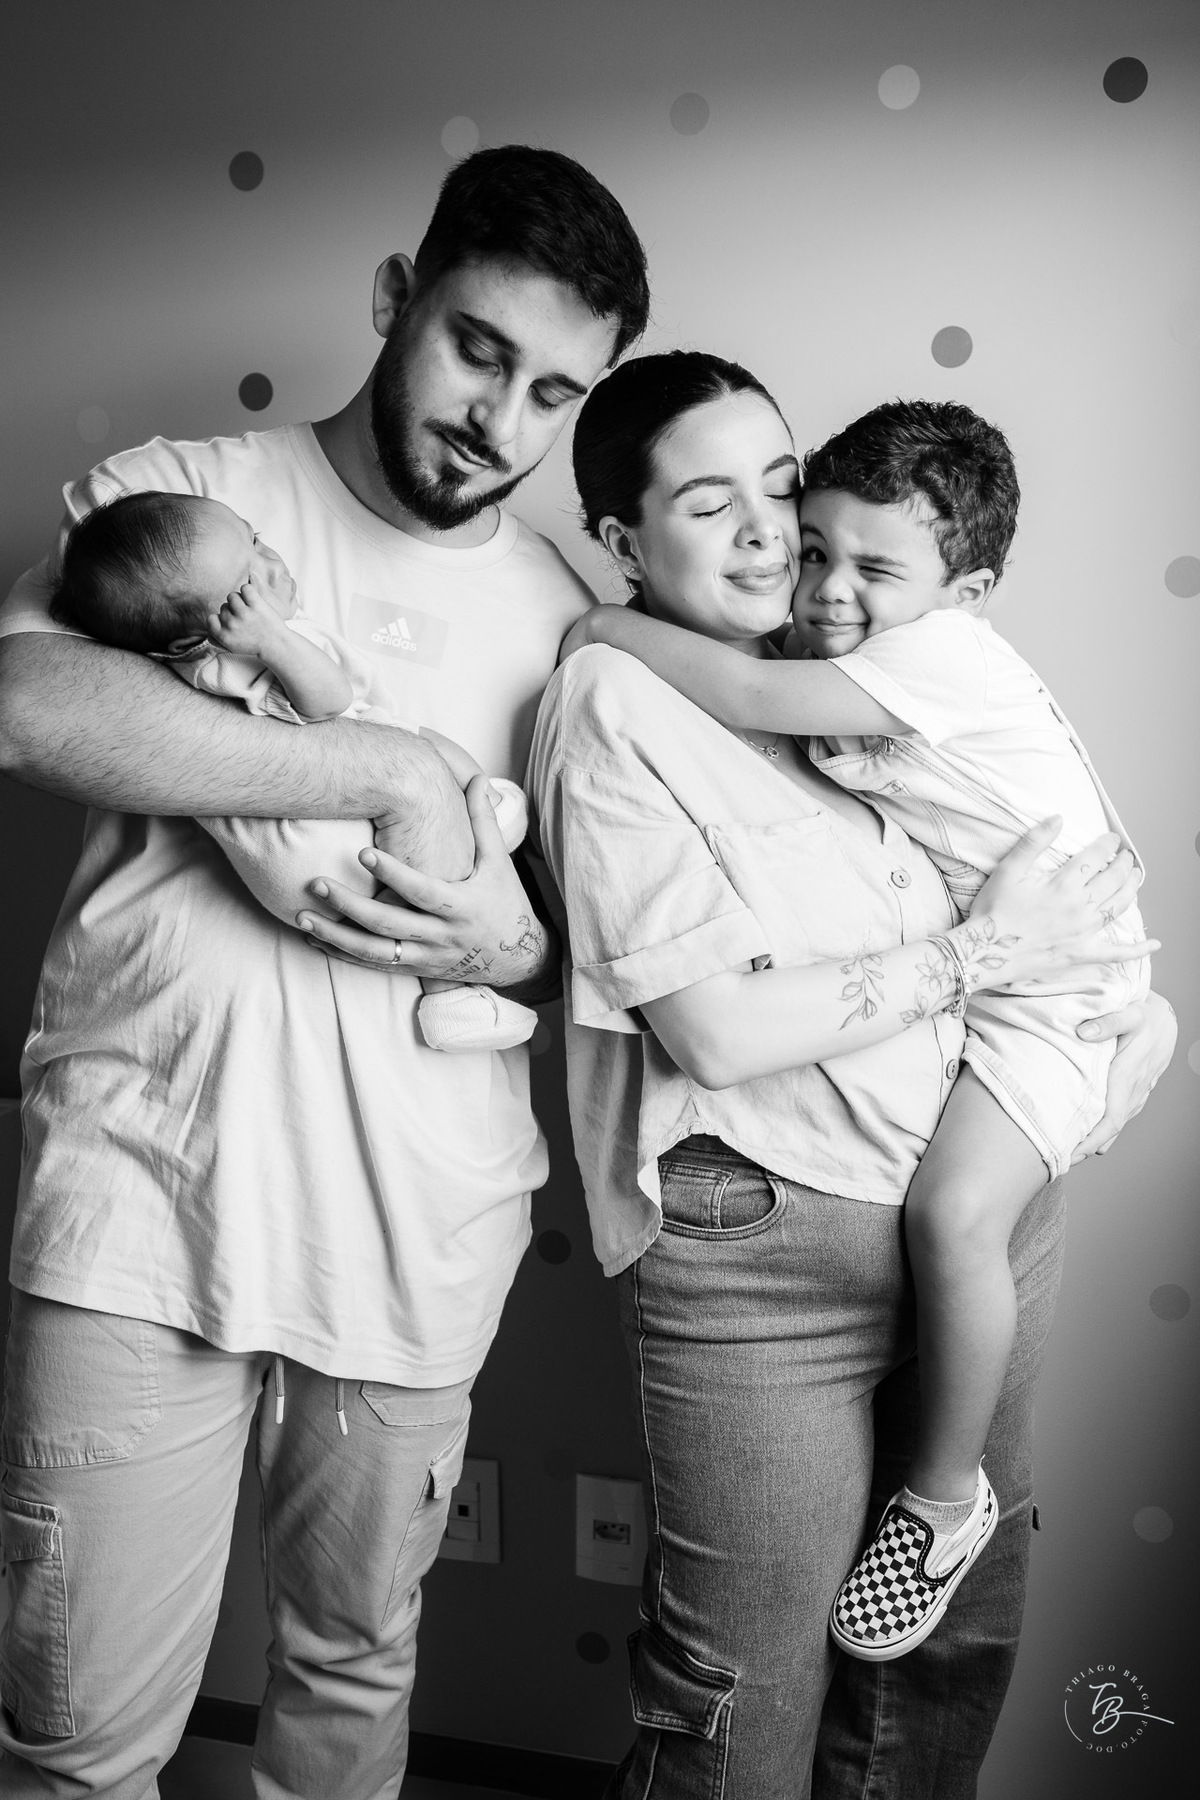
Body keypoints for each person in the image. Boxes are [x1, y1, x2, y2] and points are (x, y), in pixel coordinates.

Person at [0, 146, 649, 1796]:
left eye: (555, 392)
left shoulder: (574, 621)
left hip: (416, 1231)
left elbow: (589, 933)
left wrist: (514, 941)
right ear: (393, 297)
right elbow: (32, 707)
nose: (502, 421)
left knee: (352, 1678)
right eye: (478, 351)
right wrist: (383, 769)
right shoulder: (185, 498)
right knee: (73, 1740)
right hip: (143, 1201)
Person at [523, 350, 1170, 1797]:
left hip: (982, 1198)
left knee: (946, 1661)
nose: (772, 541)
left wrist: (1131, 1020)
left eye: (778, 488)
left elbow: (1025, 861)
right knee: (742, 1703)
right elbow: (715, 1031)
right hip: (774, 1252)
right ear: (624, 538)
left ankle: (946, 1510)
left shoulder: (857, 672)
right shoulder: (620, 702)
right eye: (717, 506)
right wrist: (990, 957)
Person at [49, 487, 539, 1052]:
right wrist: (275, 639)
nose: (271, 561)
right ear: (190, 638)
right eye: (246, 583)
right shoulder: (232, 663)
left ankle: (479, 810)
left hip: (320, 837)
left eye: (255, 538)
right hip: (318, 854)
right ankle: (452, 998)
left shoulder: (217, 647)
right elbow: (330, 700)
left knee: (419, 747)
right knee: (419, 863)